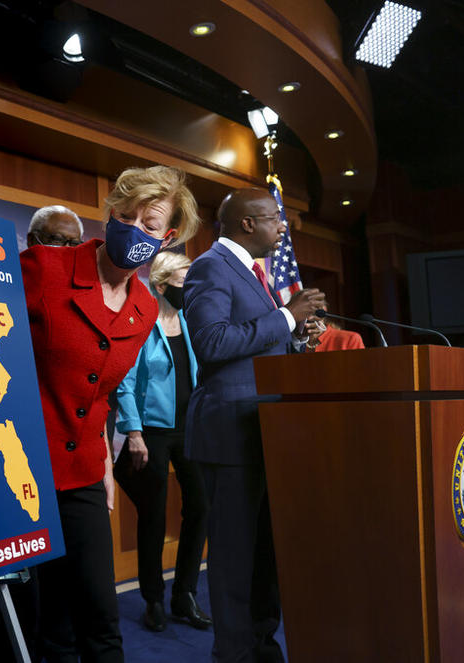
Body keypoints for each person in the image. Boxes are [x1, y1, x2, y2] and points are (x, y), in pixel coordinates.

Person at [22, 165, 200, 662]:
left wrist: (102, 461)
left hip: (82, 474)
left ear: (166, 237)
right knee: (35, 621)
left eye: (150, 223)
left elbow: (102, 393)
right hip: (21, 468)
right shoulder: (43, 269)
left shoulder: (145, 309)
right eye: (126, 214)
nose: (134, 227)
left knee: (101, 619)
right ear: (110, 214)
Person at [182, 187, 325, 663]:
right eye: (274, 220)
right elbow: (212, 342)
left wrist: (295, 336)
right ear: (247, 223)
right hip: (229, 435)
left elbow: (254, 348)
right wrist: (286, 315)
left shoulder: (252, 273)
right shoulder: (210, 266)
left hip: (264, 430)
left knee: (264, 555)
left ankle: (262, 646)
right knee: (235, 560)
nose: (283, 229)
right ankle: (236, 654)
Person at [0, 206, 86, 663]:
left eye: (72, 244)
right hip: (14, 456)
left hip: (71, 462)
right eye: (51, 240)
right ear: (29, 240)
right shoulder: (3, 286)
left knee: (66, 586)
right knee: (19, 590)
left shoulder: (84, 302)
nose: (62, 251)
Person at [113, 250, 211, 633]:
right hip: (151, 432)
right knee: (153, 514)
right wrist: (133, 432)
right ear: (161, 284)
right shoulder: (140, 321)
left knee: (201, 506)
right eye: (186, 282)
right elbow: (123, 381)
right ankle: (152, 597)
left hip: (192, 427)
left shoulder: (189, 319)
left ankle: (184, 594)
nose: (191, 289)